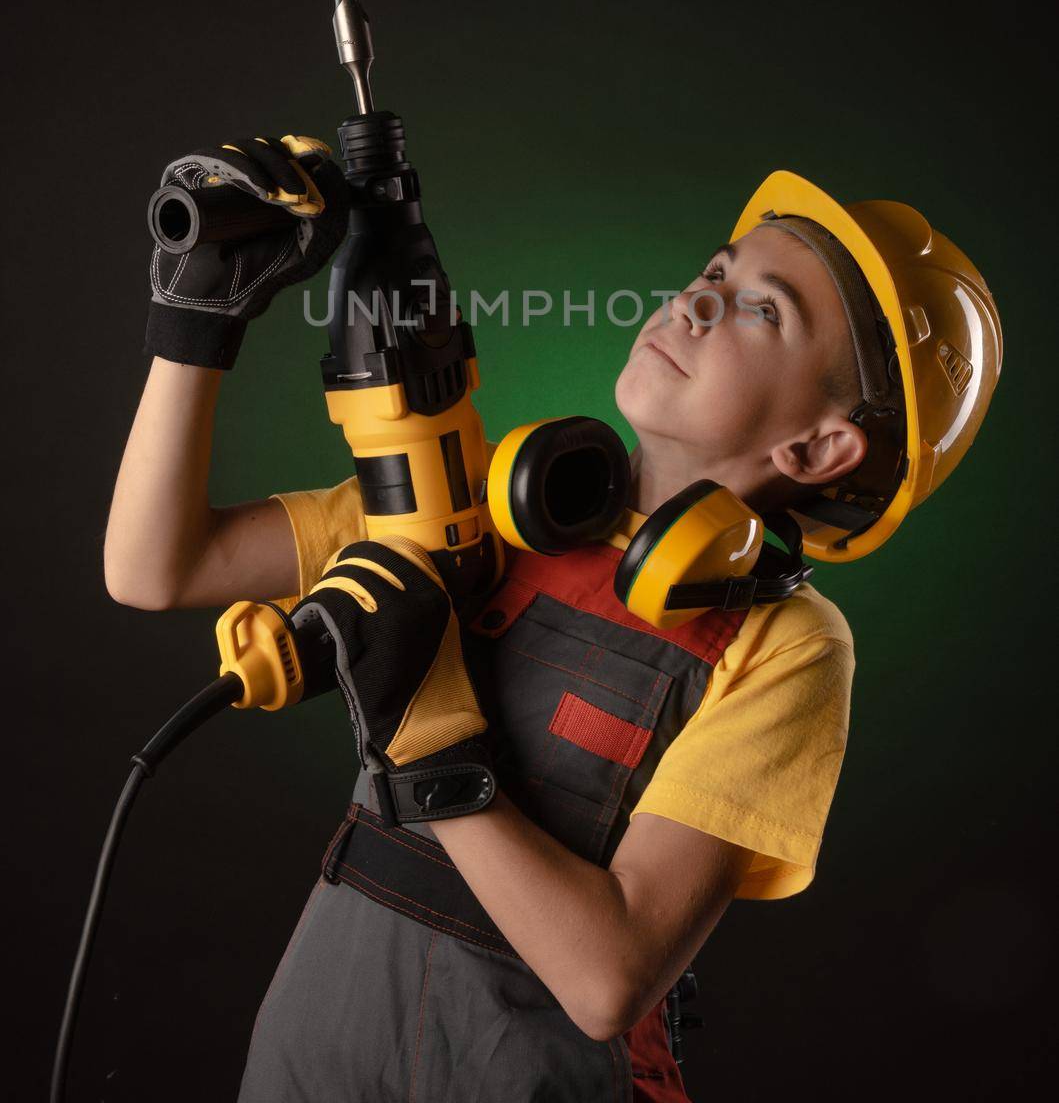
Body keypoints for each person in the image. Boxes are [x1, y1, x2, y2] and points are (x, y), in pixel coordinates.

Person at [105, 140, 1002, 1102]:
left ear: (819, 446)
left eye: (762, 310)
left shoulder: (785, 646)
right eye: (715, 271)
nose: (693, 303)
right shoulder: (473, 505)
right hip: (307, 1059)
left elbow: (607, 980)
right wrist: (197, 320)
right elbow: (156, 565)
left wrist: (429, 731)